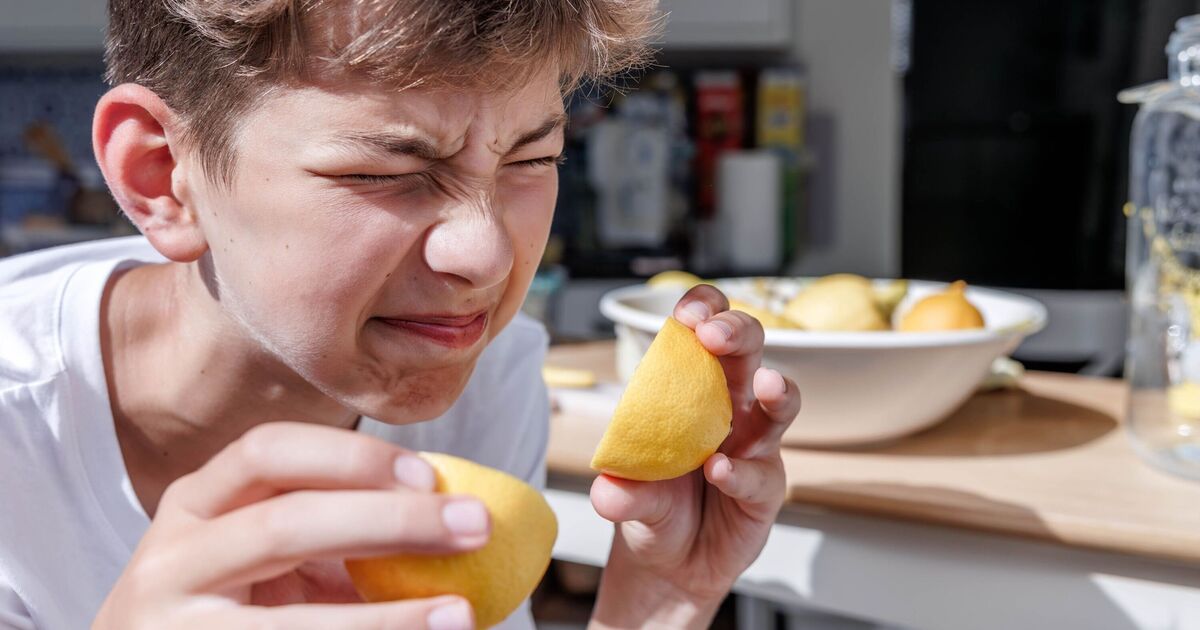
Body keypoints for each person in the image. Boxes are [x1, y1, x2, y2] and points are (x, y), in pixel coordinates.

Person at [0, 1, 802, 628]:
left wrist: (659, 603)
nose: (485, 256)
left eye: (532, 159)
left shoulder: (485, 374)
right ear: (160, 176)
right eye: (389, 171)